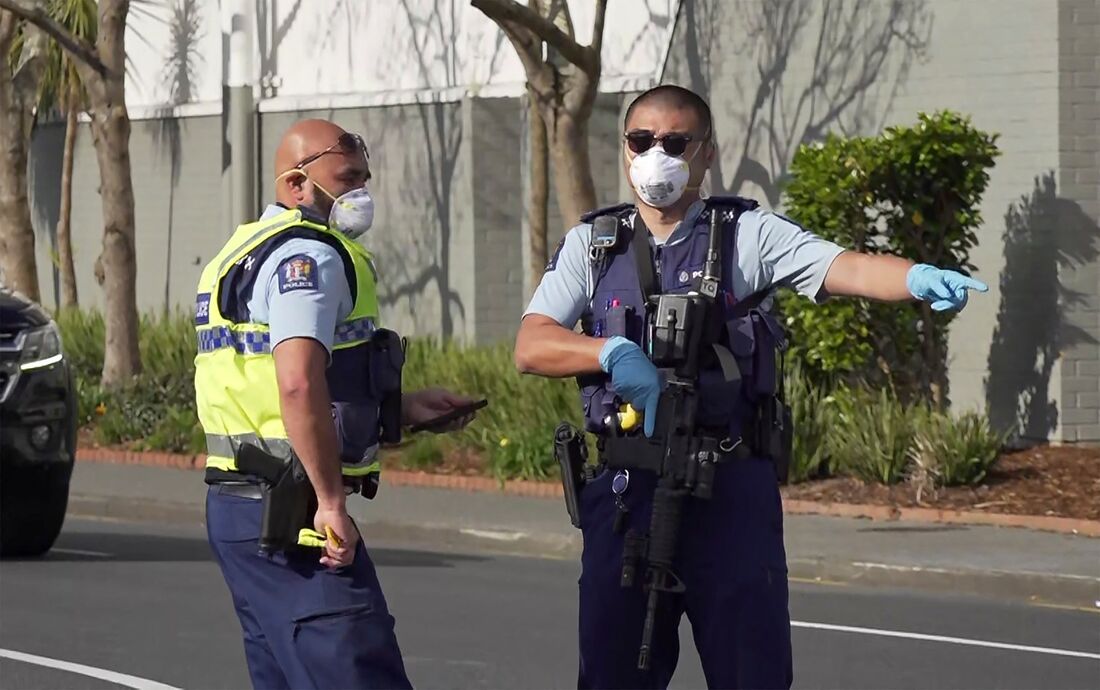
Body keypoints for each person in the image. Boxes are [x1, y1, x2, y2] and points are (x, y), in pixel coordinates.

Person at [514, 85, 988, 690]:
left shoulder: (744, 234)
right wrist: (607, 350)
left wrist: (916, 276)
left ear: (706, 154)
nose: (656, 155)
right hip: (628, 493)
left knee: (751, 674)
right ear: (624, 150)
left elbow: (846, 266)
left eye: (675, 142)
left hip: (728, 490)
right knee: (611, 674)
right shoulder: (594, 243)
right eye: (641, 141)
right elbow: (531, 346)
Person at [194, 118, 480, 690]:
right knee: (355, 669)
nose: (360, 194)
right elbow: (298, 383)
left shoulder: (240, 249)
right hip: (294, 510)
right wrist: (329, 501)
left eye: (364, 180)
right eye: (347, 179)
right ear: (297, 185)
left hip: (239, 505)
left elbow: (265, 389)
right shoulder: (311, 256)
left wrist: (401, 410)